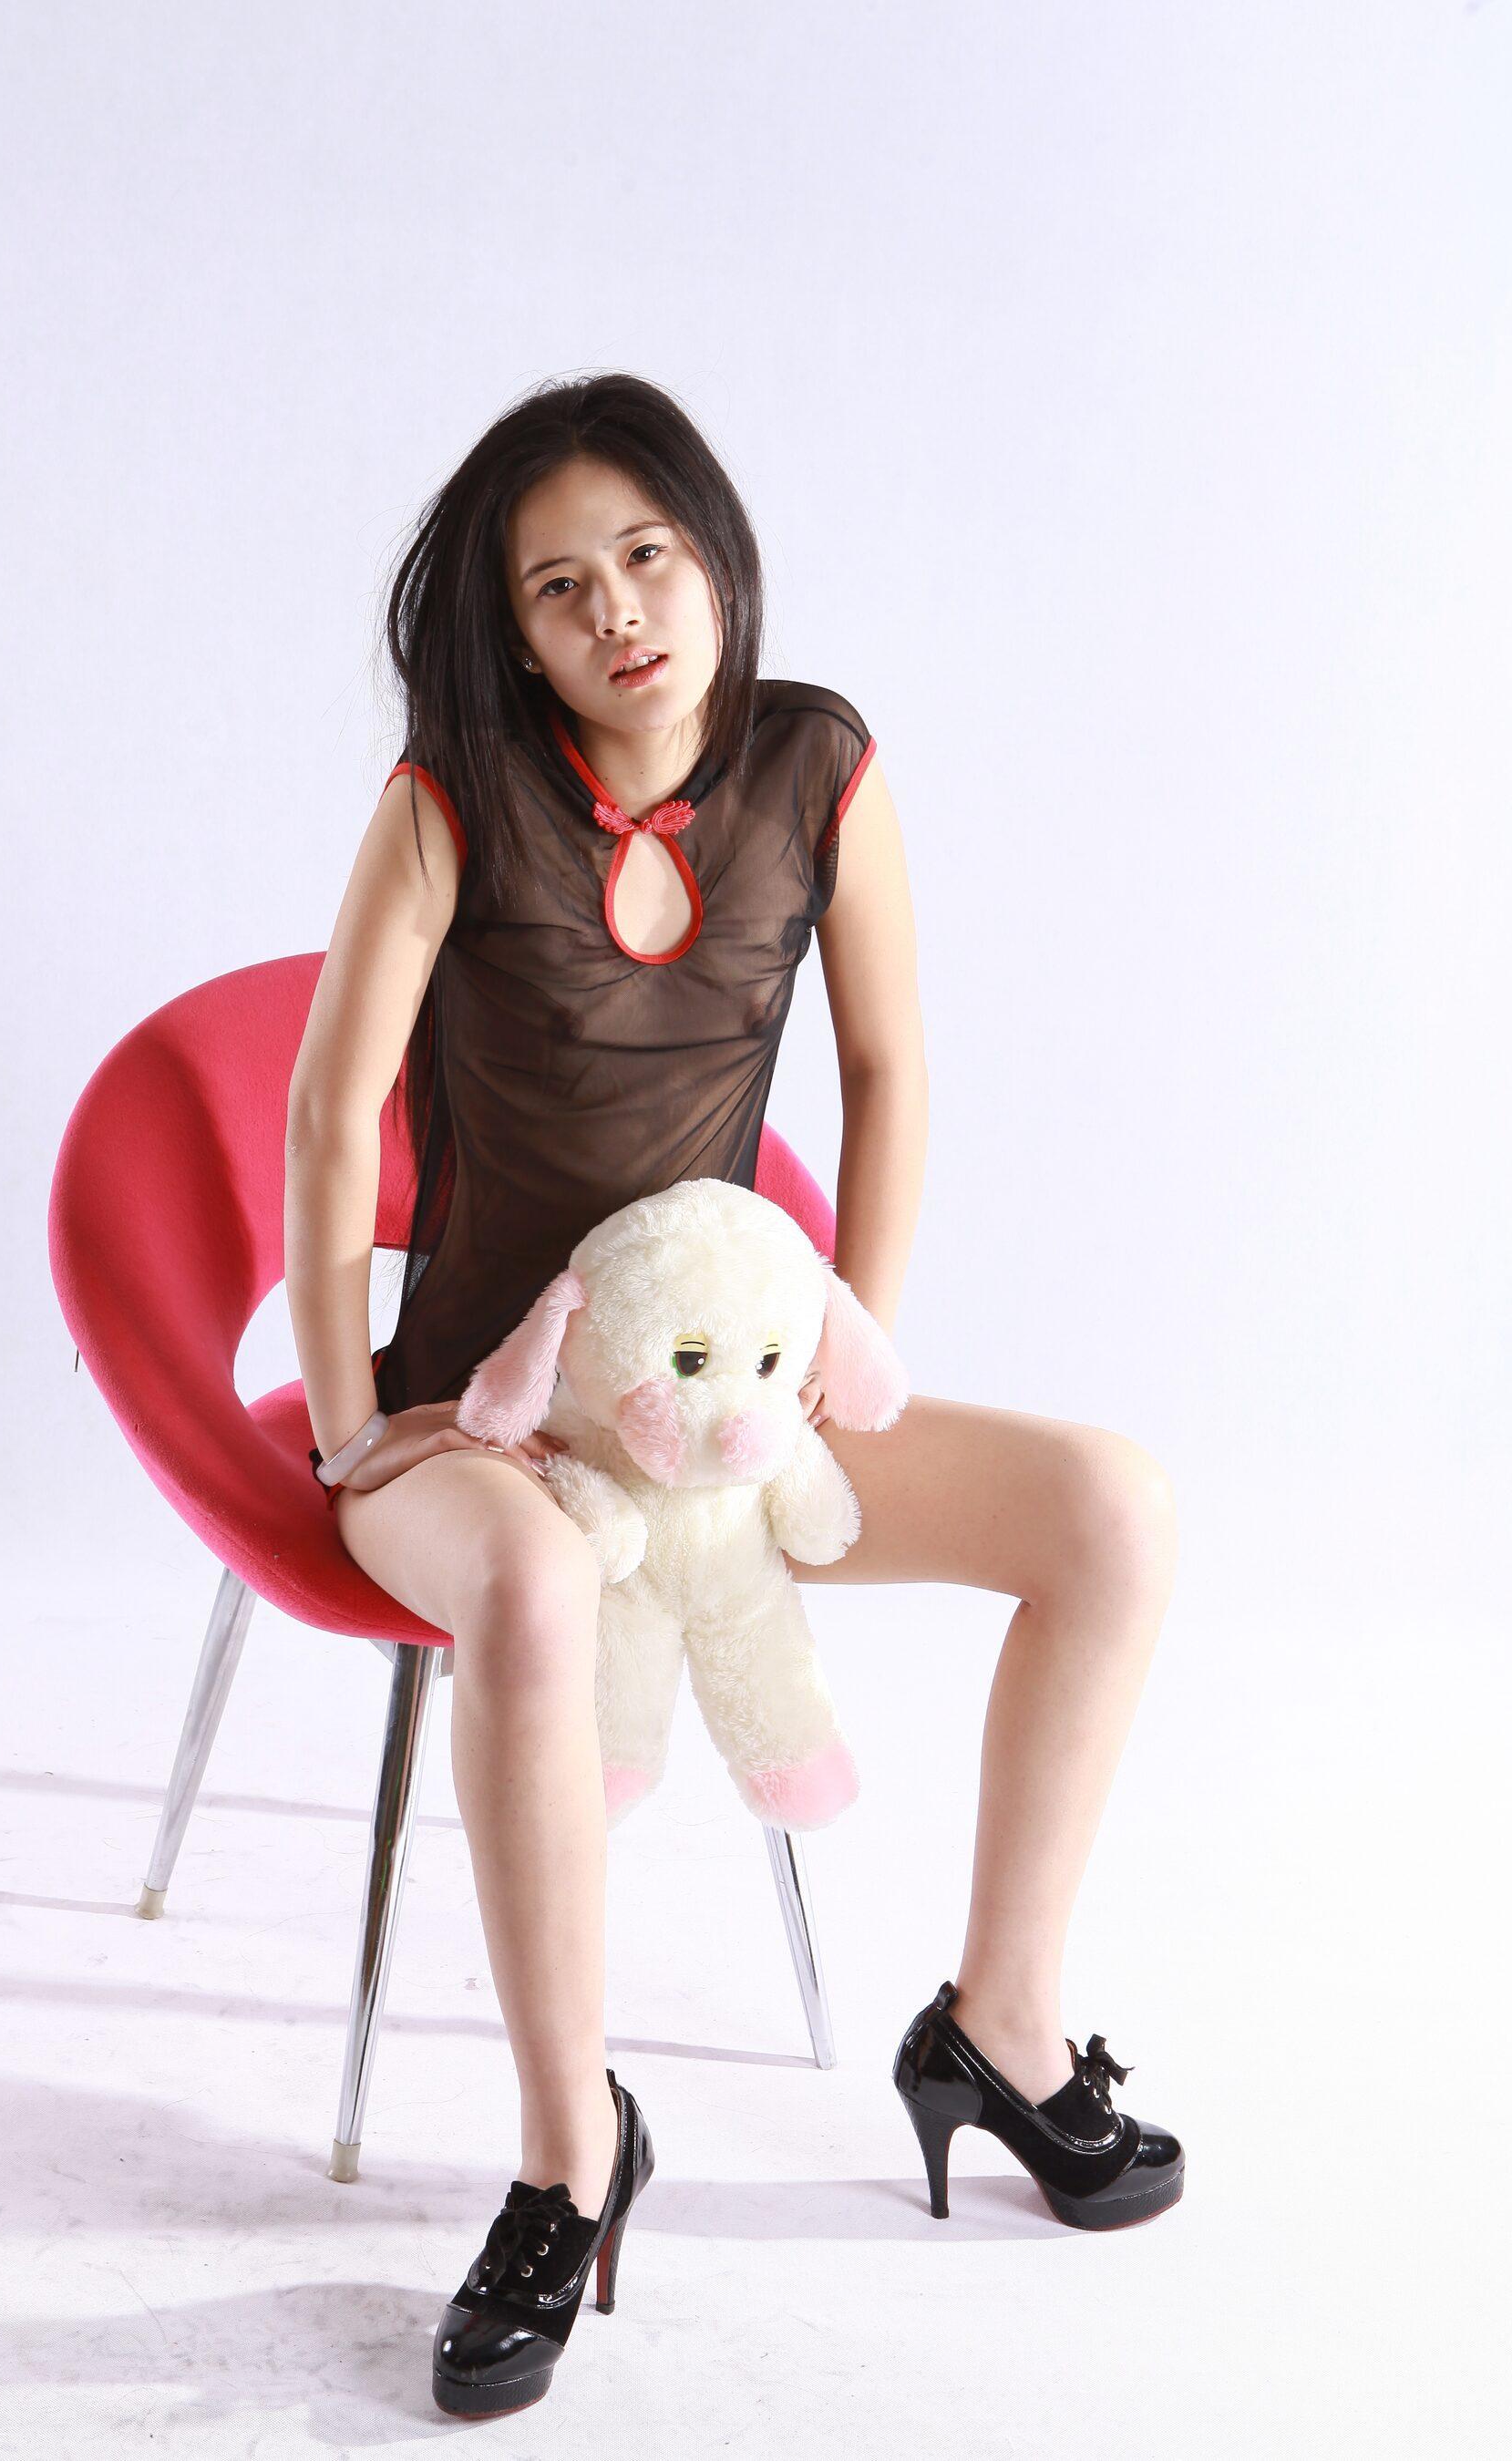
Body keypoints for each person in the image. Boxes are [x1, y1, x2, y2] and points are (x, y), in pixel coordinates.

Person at [283, 372, 1184, 2418]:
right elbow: (332, 1122)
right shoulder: (447, 799)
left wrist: (847, 1350)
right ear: (515, 635)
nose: (618, 610)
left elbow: (890, 1067)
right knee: (531, 1587)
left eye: (648, 555)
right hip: (487, 1428)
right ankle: (566, 2157)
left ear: (715, 557)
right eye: (560, 586)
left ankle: (1004, 2028)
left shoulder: (815, 764)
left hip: (723, 1411)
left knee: (1113, 1509)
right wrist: (348, 1423)